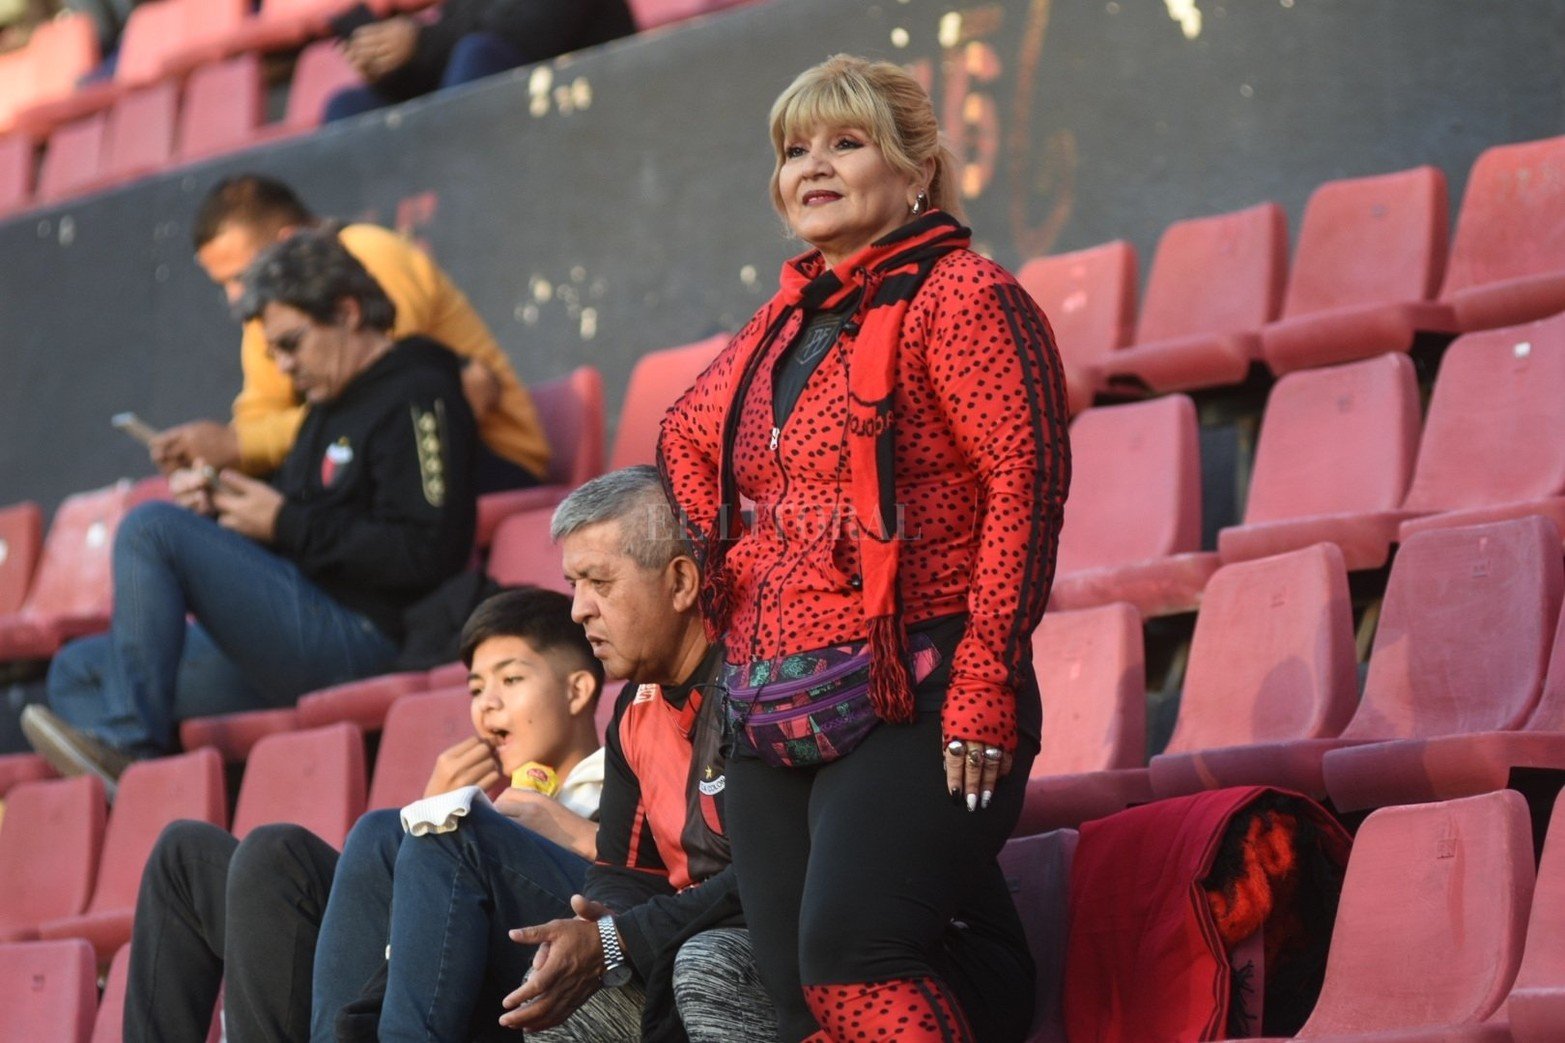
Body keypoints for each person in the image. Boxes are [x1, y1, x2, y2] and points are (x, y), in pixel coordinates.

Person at [657, 54, 1071, 1043]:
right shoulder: (783, 319)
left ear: (915, 170)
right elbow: (683, 432)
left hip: (923, 686)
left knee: (852, 959)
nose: (813, 165)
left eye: (845, 143)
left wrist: (984, 678)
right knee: (795, 986)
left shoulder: (963, 295)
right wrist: (736, 578)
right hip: (774, 690)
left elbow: (1025, 481)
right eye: (794, 149)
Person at [24, 230, 479, 795]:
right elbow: (295, 526)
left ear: (346, 311)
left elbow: (429, 551)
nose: (285, 366)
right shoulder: (324, 409)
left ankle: (134, 752)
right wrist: (224, 510)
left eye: (292, 343)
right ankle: (157, 796)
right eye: (275, 353)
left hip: (367, 637)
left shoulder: (418, 390)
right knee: (78, 670)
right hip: (295, 633)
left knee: (151, 528)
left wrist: (283, 522)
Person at [331, 465, 766, 1043]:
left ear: (682, 583)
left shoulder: (759, 686)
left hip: (742, 941)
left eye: (599, 583)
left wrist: (615, 939)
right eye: (573, 585)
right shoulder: (636, 707)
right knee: (376, 835)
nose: (579, 609)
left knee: (457, 836)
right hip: (665, 933)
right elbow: (626, 869)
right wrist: (595, 920)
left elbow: (770, 871)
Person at [122, 586, 607, 1043]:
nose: (488, 705)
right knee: (210, 856)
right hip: (393, 973)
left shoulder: (619, 777)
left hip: (514, 980)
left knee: (382, 831)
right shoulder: (488, 808)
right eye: (477, 689)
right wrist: (427, 821)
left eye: (512, 679)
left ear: (577, 690)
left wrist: (444, 831)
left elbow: (644, 896)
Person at [151, 174, 549, 493]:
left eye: (240, 276)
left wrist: (239, 446)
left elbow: (384, 412)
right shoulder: (264, 310)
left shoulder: (368, 253)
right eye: (223, 284)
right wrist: (220, 466)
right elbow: (260, 413)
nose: (234, 296)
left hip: (489, 459)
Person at [324, 0, 635, 123]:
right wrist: (391, 66)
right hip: (501, 110)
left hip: (586, 108)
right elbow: (441, 65)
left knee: (477, 55)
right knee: (348, 106)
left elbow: (526, 36)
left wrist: (419, 41)